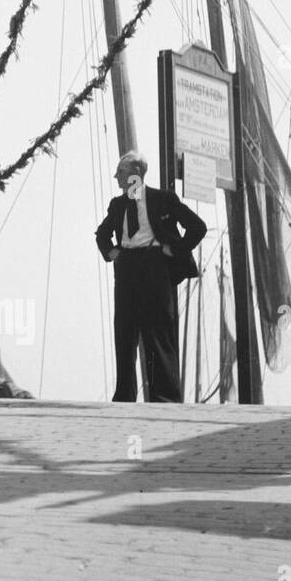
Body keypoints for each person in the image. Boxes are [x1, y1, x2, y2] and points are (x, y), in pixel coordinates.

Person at [95, 150, 207, 403]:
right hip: (127, 268)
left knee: (157, 331)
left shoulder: (162, 199)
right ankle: (124, 396)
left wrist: (174, 249)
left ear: (135, 174)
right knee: (125, 331)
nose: (116, 177)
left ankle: (164, 397)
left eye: (120, 172)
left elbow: (197, 227)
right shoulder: (118, 204)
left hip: (155, 267)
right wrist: (111, 252)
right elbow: (101, 234)